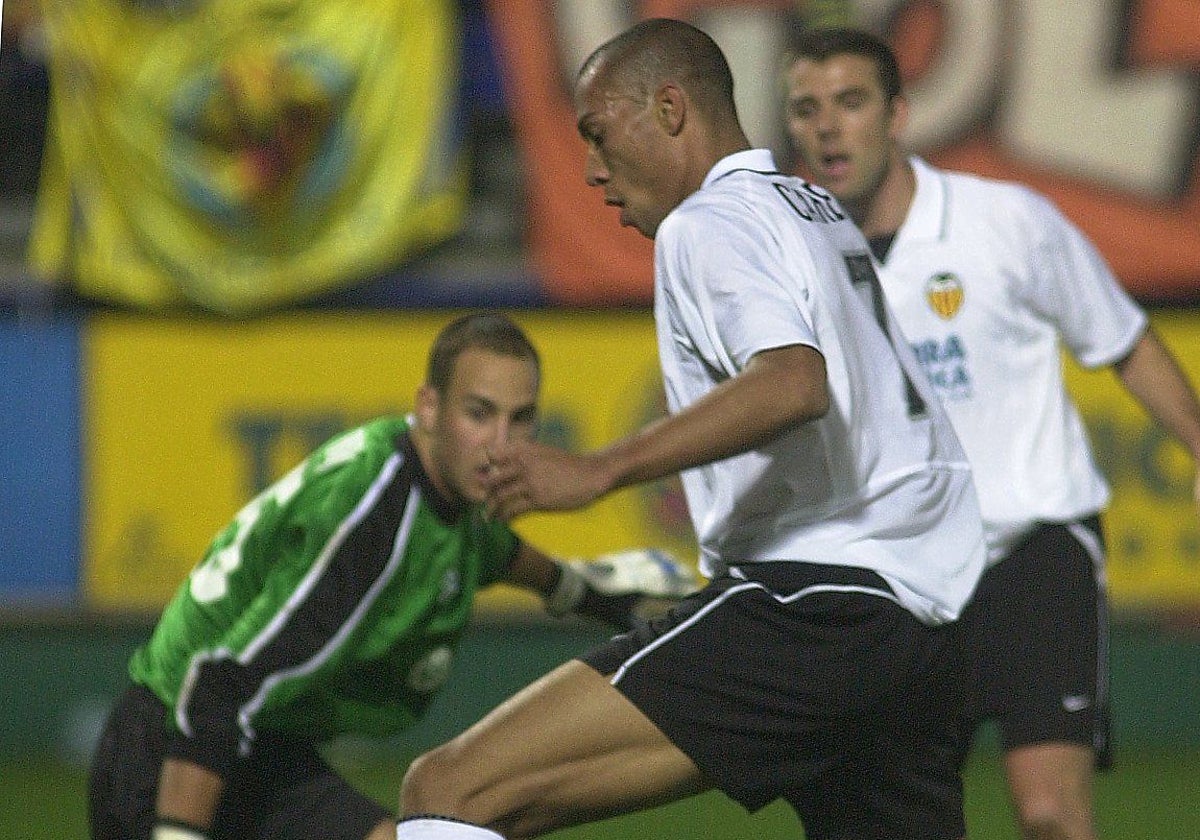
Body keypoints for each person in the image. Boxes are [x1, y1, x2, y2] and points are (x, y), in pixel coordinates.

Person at [395, 18, 988, 840]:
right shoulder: (812, 207)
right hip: (921, 628)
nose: (594, 171)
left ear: (671, 109)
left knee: (449, 790)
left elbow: (792, 383)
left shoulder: (707, 222)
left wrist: (599, 469)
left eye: (600, 136)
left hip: (815, 607)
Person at [781, 26, 1200, 840]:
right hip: (901, 568)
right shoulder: (797, 258)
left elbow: (1124, 340)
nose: (829, 125)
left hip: (1032, 552)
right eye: (807, 108)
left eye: (851, 101)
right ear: (792, 124)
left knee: (1049, 813)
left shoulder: (1004, 221)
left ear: (899, 112)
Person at [87, 312, 698, 840]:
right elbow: (220, 689)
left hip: (258, 745)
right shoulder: (373, 522)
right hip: (175, 755)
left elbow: (497, 552)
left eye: (521, 420)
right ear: (428, 406)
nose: (500, 447)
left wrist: (586, 591)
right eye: (480, 414)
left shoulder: (443, 491)